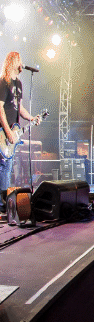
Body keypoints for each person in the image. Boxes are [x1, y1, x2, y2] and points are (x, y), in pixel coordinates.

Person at [0, 51, 41, 211]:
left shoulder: (19, 84)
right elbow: (0, 109)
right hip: (3, 131)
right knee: (4, 165)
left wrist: (31, 118)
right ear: (12, 62)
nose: (21, 63)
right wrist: (8, 132)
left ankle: (3, 201)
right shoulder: (4, 82)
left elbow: (20, 107)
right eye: (19, 60)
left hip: (13, 130)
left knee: (7, 165)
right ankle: (2, 202)